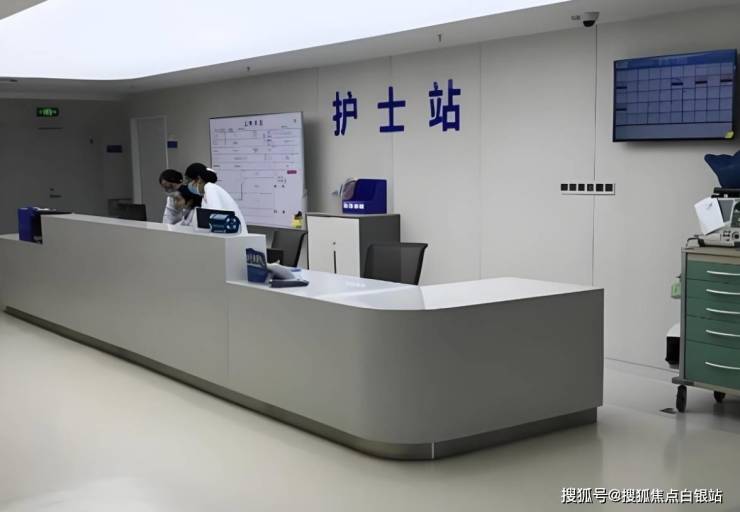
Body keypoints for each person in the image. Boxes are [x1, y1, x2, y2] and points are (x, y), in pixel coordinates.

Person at [186, 163, 248, 232]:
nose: (188, 184)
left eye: (189, 181)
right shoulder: (205, 195)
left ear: (199, 179)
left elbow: (215, 217)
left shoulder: (210, 187)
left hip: (233, 233)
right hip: (229, 233)